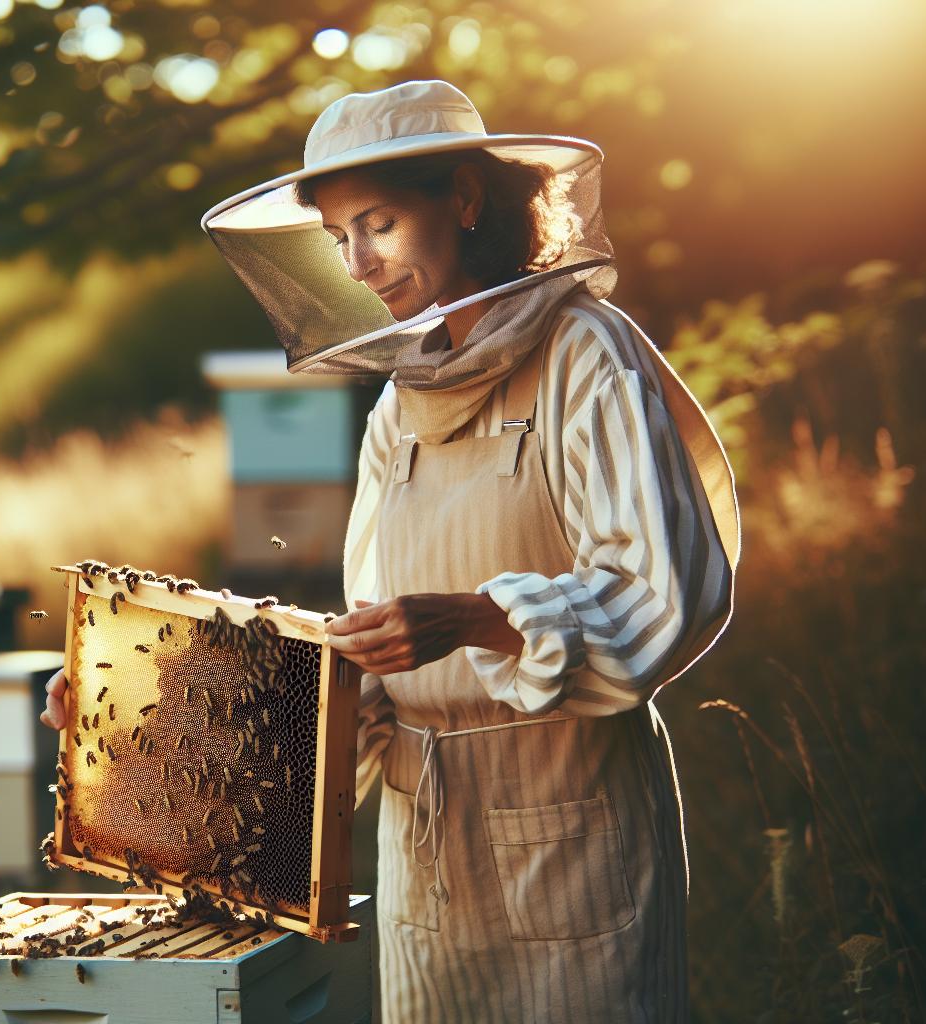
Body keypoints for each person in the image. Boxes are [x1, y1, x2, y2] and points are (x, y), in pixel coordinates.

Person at [42, 79, 739, 1021]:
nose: (359, 264)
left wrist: (473, 619)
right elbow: (369, 661)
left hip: (572, 825)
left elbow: (663, 593)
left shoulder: (586, 353)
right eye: (338, 239)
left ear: (464, 199)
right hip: (423, 845)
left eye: (378, 223)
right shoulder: (398, 408)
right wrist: (149, 715)